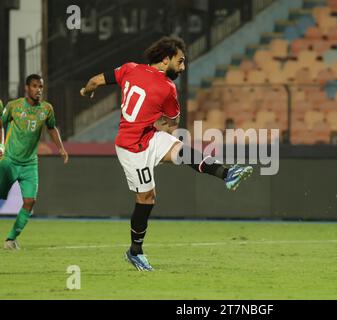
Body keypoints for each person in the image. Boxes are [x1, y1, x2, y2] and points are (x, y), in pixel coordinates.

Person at [80, 36, 253, 272]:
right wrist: (161, 126)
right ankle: (135, 252)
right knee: (147, 199)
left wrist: (86, 90)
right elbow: (172, 123)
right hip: (132, 148)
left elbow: (95, 81)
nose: (182, 68)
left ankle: (228, 174)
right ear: (165, 60)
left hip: (148, 137)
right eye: (180, 62)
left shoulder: (129, 69)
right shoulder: (167, 87)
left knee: (182, 151)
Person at [0, 74, 69, 250]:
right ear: (26, 88)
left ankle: (10, 239)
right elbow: (1, 123)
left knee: (30, 202)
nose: (38, 90)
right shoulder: (13, 106)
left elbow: (52, 128)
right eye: (35, 86)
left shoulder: (46, 109)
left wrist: (60, 148)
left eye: (40, 87)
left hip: (30, 164)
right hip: (9, 161)